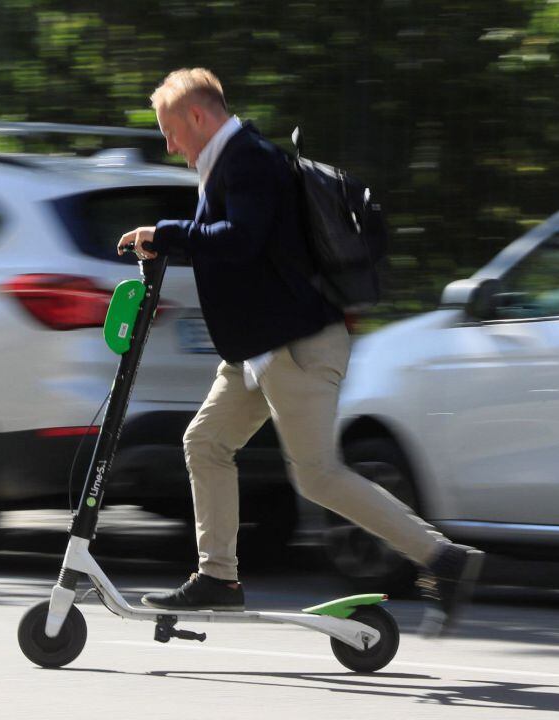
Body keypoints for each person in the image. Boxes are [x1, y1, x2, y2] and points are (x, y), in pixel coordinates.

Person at [117, 68, 484, 637]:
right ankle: (218, 577)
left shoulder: (250, 161)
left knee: (316, 475)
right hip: (260, 350)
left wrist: (166, 234)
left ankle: (442, 559)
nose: (169, 145)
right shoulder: (229, 163)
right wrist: (167, 237)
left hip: (296, 349)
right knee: (206, 443)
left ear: (197, 117)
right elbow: (237, 246)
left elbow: (239, 241)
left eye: (170, 130)